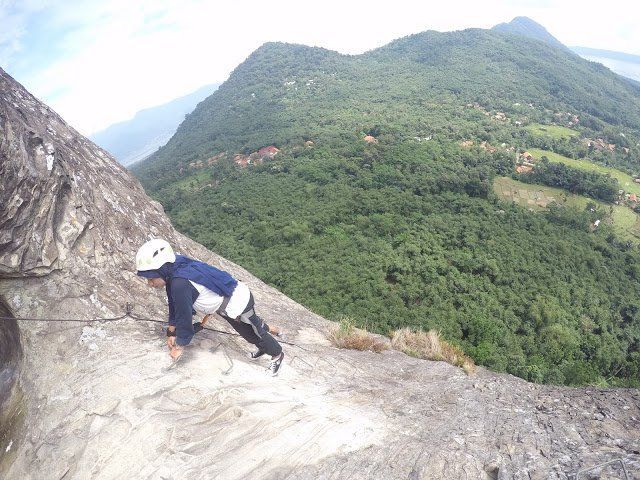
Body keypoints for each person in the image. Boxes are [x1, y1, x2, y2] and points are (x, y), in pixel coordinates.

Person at [135, 239, 284, 376]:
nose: (150, 283)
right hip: (227, 303)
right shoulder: (174, 268)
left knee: (256, 333)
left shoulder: (179, 283)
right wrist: (171, 332)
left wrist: (179, 346)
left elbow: (184, 316)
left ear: (161, 270)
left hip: (238, 302)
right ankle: (264, 345)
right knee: (249, 331)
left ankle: (277, 355)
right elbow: (175, 304)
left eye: (151, 278)